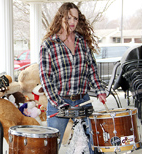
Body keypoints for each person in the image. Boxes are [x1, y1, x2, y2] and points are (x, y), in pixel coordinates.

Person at [38, 2, 106, 154]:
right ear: (60, 18)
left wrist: (100, 90)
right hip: (59, 102)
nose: (72, 22)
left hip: (83, 100)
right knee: (51, 147)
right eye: (69, 18)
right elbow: (45, 78)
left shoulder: (82, 42)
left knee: (94, 144)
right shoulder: (48, 45)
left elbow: (92, 70)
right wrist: (59, 104)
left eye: (75, 19)